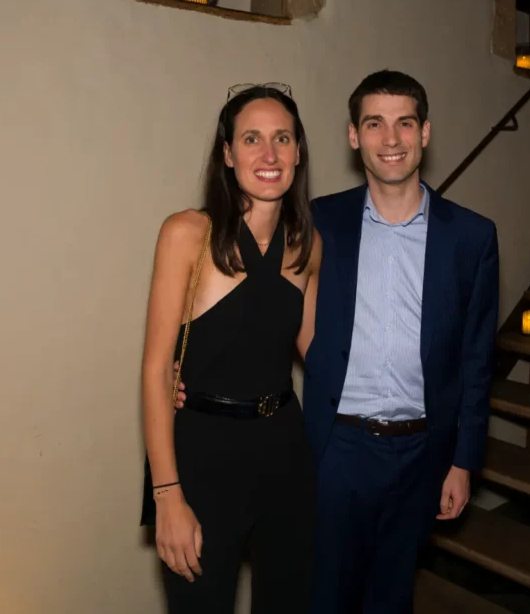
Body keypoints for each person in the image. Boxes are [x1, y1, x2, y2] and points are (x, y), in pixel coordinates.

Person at [177, 70, 500, 612]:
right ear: (354, 136)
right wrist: (185, 365)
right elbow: (251, 297)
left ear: (425, 132)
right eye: (374, 124)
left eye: (404, 123)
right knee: (320, 596)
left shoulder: (471, 236)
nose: (390, 139)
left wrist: (463, 461)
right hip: (335, 450)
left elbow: (477, 360)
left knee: (392, 597)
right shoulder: (318, 221)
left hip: (422, 453)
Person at [141, 83, 319, 613]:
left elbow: (321, 356)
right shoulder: (187, 233)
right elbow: (156, 372)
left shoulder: (308, 245)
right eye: (251, 139)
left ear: (298, 152)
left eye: (282, 138)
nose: (269, 154)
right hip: (203, 458)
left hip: (285, 454)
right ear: (227, 153)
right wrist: (166, 495)